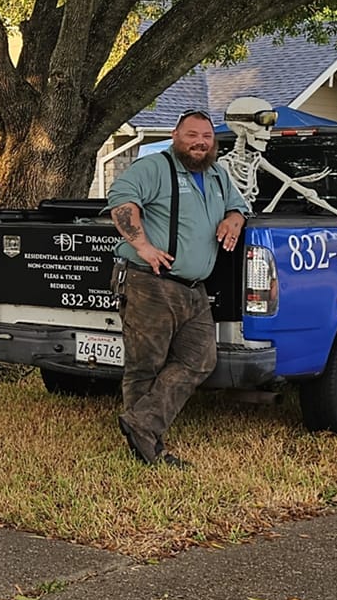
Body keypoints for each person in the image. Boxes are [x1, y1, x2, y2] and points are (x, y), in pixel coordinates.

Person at [105, 109, 247, 467]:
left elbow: (238, 206)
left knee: (201, 359)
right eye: (192, 135)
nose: (200, 142)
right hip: (149, 282)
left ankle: (141, 423)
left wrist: (233, 220)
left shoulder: (216, 174)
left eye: (207, 137)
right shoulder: (156, 167)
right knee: (145, 366)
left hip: (193, 288)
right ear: (175, 135)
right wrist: (142, 246)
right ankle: (147, 448)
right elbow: (122, 202)